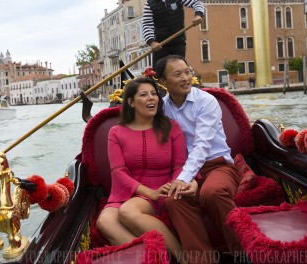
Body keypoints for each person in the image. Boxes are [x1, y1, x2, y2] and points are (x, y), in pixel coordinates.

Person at [155, 55, 242, 263]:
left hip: (217, 166)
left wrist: (184, 178)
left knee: (212, 192)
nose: (186, 78)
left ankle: (243, 253)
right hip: (185, 169)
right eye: (177, 74)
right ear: (163, 82)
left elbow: (202, 145)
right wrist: (185, 178)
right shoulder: (162, 108)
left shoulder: (206, 101)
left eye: (187, 72)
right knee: (174, 200)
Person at [96, 77, 190, 263]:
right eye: (144, 95)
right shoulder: (116, 132)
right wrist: (148, 193)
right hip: (125, 191)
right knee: (104, 221)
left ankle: (182, 258)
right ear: (130, 102)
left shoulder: (171, 127)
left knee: (128, 212)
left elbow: (180, 165)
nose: (151, 99)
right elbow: (118, 171)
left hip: (163, 188)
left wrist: (169, 189)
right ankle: (155, 258)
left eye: (154, 94)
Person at [142, 0, 205, 67]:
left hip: (178, 41)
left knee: (179, 68)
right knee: (158, 72)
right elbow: (147, 25)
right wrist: (151, 42)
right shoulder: (149, 4)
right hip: (160, 45)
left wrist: (198, 15)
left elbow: (196, 2)